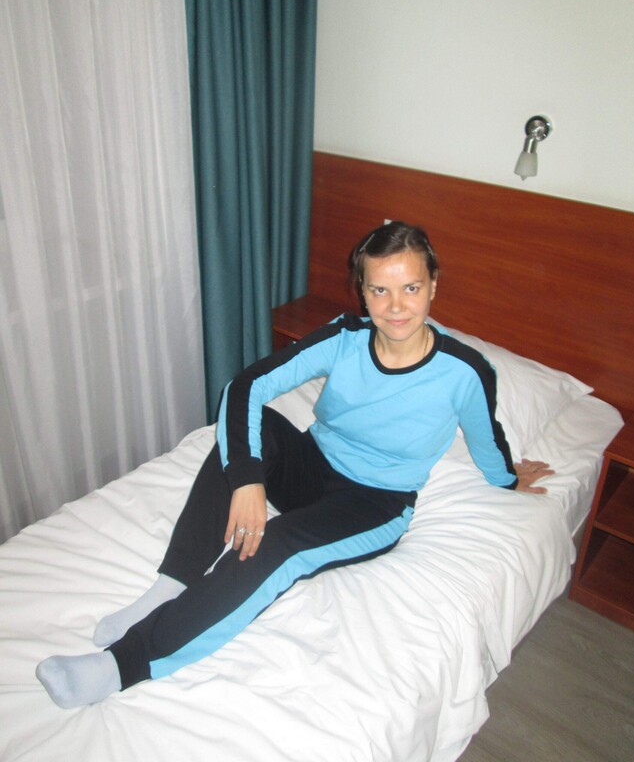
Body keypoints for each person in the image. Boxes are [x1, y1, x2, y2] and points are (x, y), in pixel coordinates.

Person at [36, 221, 553, 708]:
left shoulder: (465, 371)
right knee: (251, 431)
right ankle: (171, 585)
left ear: (433, 285)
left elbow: (487, 439)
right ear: (362, 291)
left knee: (279, 544)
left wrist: (508, 478)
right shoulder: (346, 336)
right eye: (379, 290)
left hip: (374, 501)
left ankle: (122, 665)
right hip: (314, 461)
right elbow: (246, 387)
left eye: (411, 288)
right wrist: (248, 481)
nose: (396, 306)